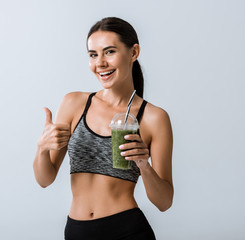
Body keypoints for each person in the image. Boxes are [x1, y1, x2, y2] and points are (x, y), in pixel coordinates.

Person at [33, 17, 173, 240]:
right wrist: (41, 148)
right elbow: (44, 179)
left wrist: (144, 166)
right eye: (93, 54)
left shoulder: (154, 118)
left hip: (127, 230)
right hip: (76, 231)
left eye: (109, 52)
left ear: (133, 52)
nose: (100, 63)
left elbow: (164, 202)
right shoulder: (73, 103)